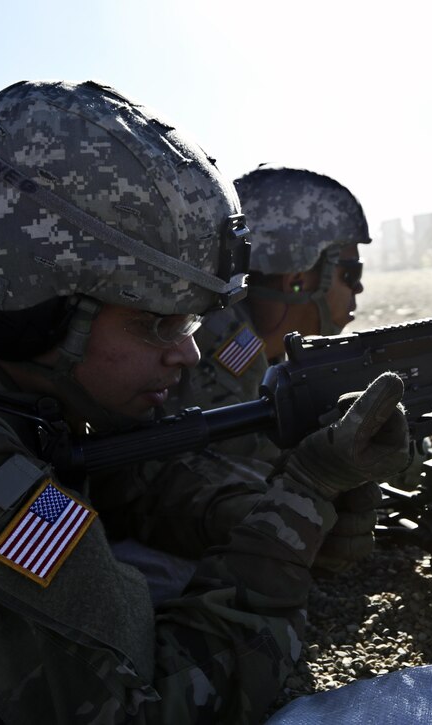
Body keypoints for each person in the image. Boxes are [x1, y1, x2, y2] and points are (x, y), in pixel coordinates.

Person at [0, 79, 409, 723]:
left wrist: (248, 513)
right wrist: (292, 520)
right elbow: (151, 708)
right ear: (38, 314)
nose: (187, 355)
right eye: (156, 325)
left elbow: (120, 475)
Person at [165, 166, 379, 574]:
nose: (359, 289)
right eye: (351, 273)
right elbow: (244, 467)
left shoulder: (254, 346)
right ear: (299, 279)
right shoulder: (222, 344)